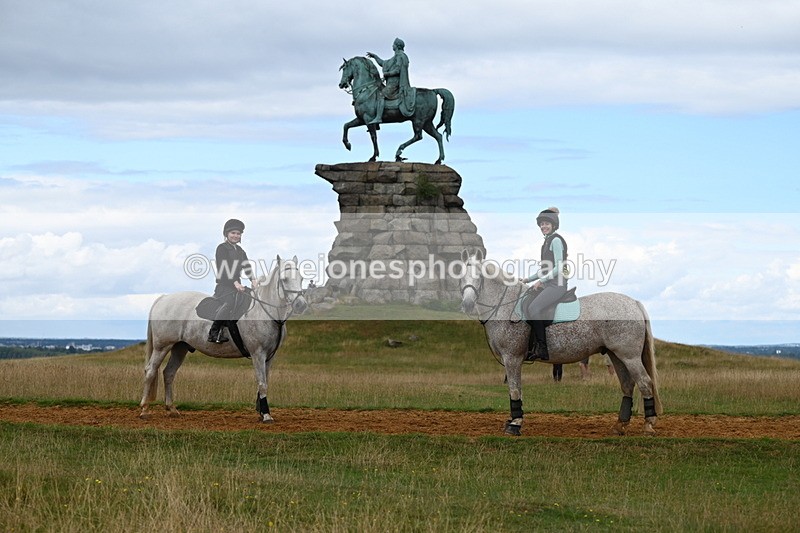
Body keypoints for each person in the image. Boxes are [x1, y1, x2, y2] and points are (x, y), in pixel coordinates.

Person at [521, 207, 568, 361]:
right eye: (541, 224)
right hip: (549, 284)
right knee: (527, 302)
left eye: (546, 223)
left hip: (557, 285)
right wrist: (527, 280)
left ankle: (542, 348)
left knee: (534, 307)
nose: (543, 227)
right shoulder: (546, 242)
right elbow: (545, 269)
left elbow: (559, 266)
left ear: (553, 225)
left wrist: (542, 281)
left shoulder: (555, 240)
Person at [208, 219, 258, 343]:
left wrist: (253, 279)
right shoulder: (222, 248)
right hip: (225, 286)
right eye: (233, 233)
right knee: (230, 303)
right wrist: (235, 282)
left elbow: (247, 267)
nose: (236, 236)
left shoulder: (240, 251)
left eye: (238, 233)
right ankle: (213, 332)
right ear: (227, 234)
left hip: (237, 285)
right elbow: (224, 268)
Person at [366, 37, 416, 124]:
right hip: (391, 83)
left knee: (381, 95)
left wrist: (387, 74)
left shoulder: (401, 56)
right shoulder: (395, 57)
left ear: (396, 46)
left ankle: (378, 117)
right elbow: (383, 63)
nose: (392, 45)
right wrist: (375, 56)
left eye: (393, 44)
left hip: (395, 84)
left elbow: (397, 70)